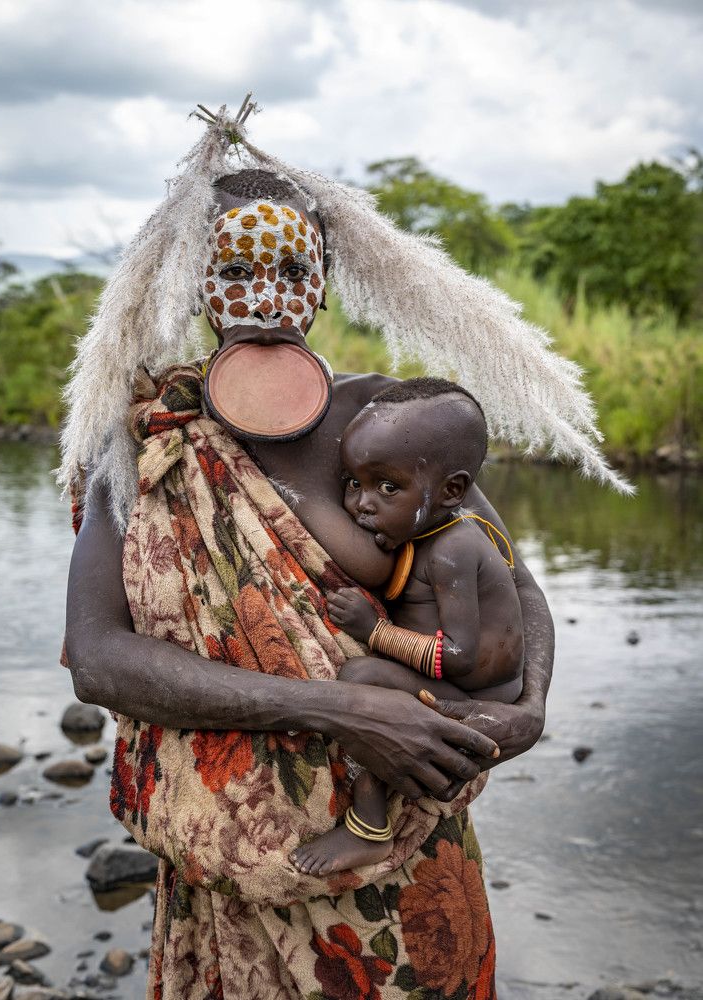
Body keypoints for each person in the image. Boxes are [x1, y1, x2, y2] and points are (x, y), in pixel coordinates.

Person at [60, 101, 628, 999]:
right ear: (192, 285)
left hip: (411, 845)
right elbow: (97, 659)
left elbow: (508, 580)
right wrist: (342, 710)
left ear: (323, 282)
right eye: (234, 269)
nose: (264, 297)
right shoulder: (146, 439)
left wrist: (531, 705)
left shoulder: (389, 426)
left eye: (290, 268)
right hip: (230, 859)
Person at [290, 377, 525, 876]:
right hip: (456, 679)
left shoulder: (454, 548)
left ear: (451, 491)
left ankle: (369, 829)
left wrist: (375, 632)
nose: (362, 503)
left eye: (388, 488)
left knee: (361, 679)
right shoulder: (421, 532)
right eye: (353, 483)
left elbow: (459, 654)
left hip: (479, 694)